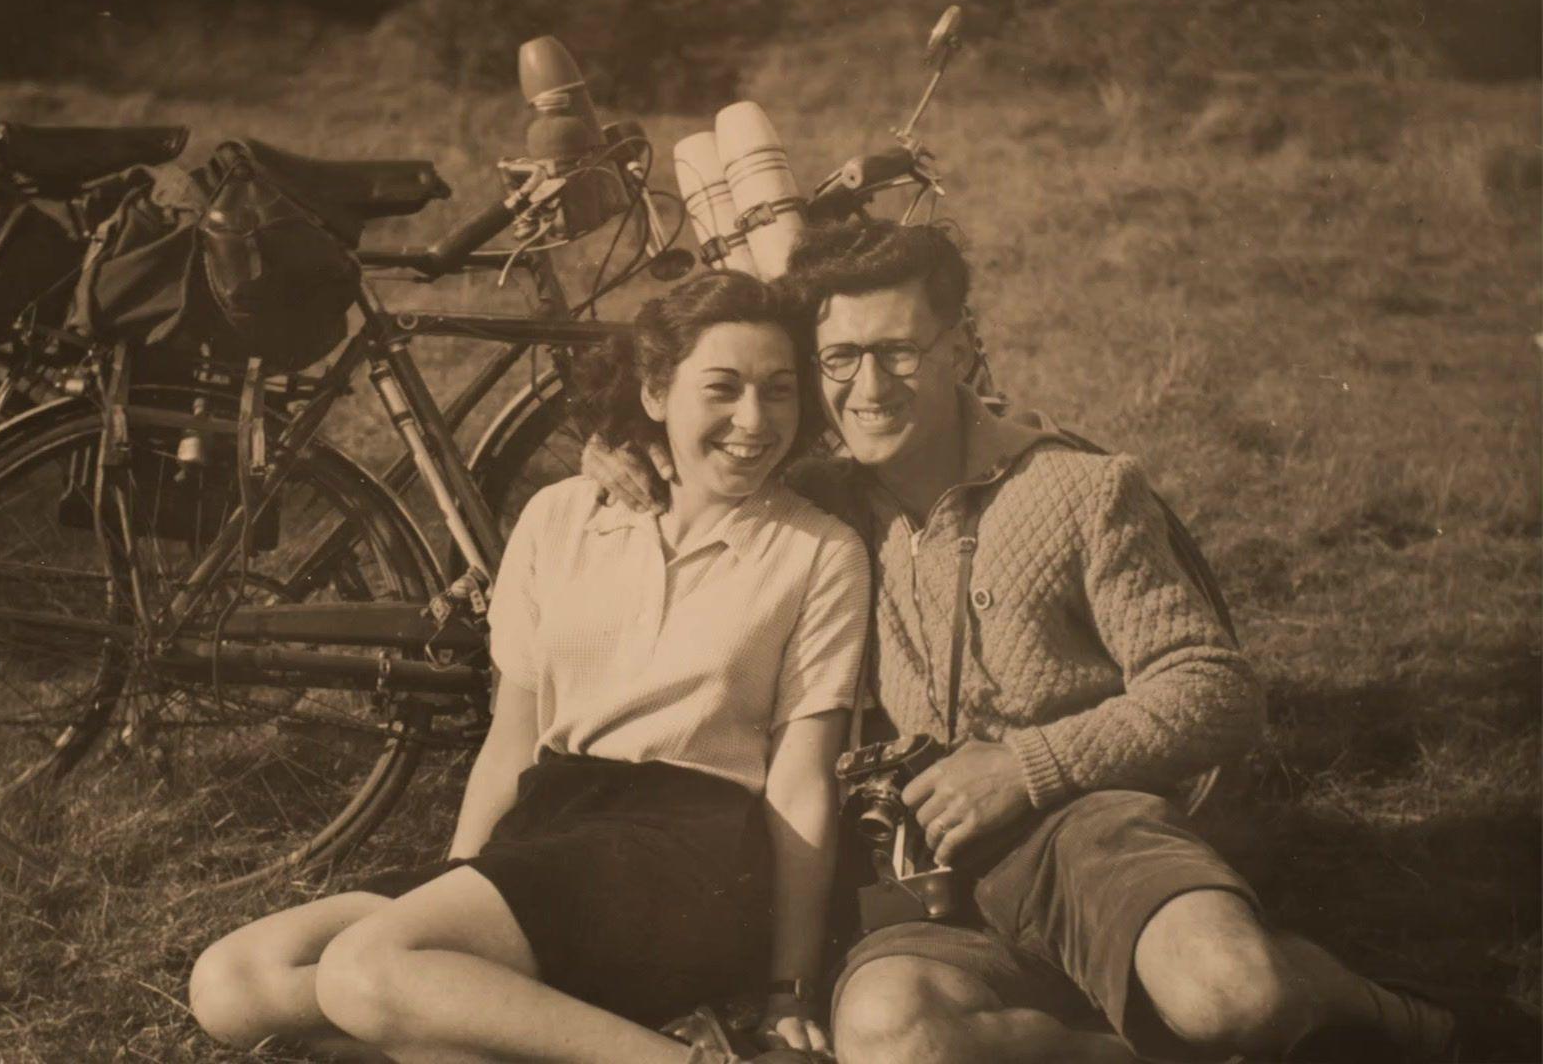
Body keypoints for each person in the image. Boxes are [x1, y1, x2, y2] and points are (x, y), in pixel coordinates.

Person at [585, 220, 1521, 1063]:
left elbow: (1216, 688)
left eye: (901, 351)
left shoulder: (1080, 489)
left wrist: (1026, 766)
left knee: (1237, 996)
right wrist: (630, 457)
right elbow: (701, 450)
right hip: (922, 874)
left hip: (1090, 826)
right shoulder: (822, 500)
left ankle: (1382, 1013)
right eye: (839, 359)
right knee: (888, 1043)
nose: (867, 389)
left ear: (962, 347)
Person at [189, 270, 869, 1063]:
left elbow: (800, 781)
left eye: (779, 391)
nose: (753, 421)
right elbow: (512, 740)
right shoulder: (561, 516)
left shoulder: (820, 552)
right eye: (722, 389)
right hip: (555, 822)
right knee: (236, 982)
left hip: (691, 850)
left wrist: (790, 983)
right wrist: (453, 904)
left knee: (365, 971)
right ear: (655, 393)